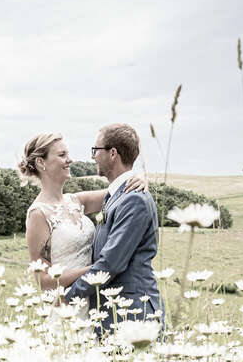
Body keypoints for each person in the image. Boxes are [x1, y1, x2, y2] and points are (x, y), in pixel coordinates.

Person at [21, 133, 147, 315]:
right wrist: (96, 270)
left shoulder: (77, 201)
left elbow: (121, 191)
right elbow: (43, 280)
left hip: (97, 301)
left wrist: (140, 177)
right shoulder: (38, 214)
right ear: (42, 163)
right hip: (66, 305)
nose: (70, 160)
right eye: (62, 155)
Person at [65, 124, 163, 332]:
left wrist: (68, 297)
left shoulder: (133, 200)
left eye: (96, 150)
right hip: (113, 315)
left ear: (112, 153)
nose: (93, 157)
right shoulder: (117, 195)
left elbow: (111, 264)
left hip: (134, 316)